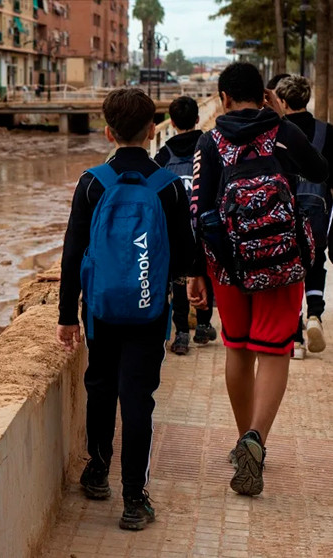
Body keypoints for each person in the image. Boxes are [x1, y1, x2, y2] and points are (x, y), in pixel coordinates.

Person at [188, 62, 329, 496]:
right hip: (283, 260)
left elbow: (199, 209)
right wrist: (283, 122)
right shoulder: (283, 133)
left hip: (229, 264)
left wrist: (198, 272)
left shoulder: (209, 141)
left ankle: (240, 440)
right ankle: (257, 439)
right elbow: (320, 172)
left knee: (238, 348)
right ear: (265, 94)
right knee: (273, 350)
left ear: (223, 98)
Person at [57, 88, 195, 530]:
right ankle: (135, 500)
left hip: (99, 310)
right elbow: (184, 256)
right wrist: (186, 292)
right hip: (148, 311)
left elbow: (73, 252)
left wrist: (65, 315)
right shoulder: (169, 186)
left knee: (100, 386)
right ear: (154, 130)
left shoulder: (92, 182)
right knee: (138, 399)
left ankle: (97, 472)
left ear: (108, 131)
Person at [274, 75, 333, 358]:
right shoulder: (327, 132)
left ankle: (295, 337)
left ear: (282, 102)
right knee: (316, 261)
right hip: (318, 211)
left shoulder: (277, 132)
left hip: (284, 213)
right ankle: (315, 316)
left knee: (289, 270)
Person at [154, 96, 217, 355]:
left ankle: (180, 333)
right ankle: (203, 326)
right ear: (197, 118)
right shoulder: (209, 146)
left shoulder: (163, 153)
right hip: (205, 224)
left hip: (175, 229)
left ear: (172, 121)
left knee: (179, 277)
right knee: (206, 272)